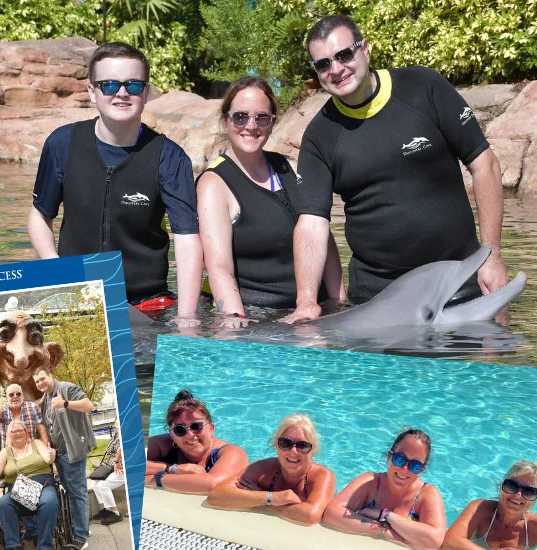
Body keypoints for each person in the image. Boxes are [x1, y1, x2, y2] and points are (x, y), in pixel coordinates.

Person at [284, 15, 509, 323]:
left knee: (487, 366)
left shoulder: (422, 87)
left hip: (459, 284)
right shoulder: (319, 135)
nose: (336, 69)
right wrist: (307, 300)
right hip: (378, 301)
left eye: (344, 55)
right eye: (323, 64)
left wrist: (492, 257)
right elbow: (312, 223)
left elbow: (485, 165)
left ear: (365, 49)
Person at [27, 41, 203, 324]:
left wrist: (186, 318)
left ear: (145, 92)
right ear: (91, 91)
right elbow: (39, 215)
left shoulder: (169, 157)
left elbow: (186, 240)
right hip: (77, 299)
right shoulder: (63, 143)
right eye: (109, 85)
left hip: (147, 305)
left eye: (133, 85)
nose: (122, 93)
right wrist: (57, 271)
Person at [196, 76, 344, 326]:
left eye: (262, 117)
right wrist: (235, 321)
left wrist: (339, 304)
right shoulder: (214, 184)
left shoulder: (293, 168)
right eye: (240, 116)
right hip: (259, 316)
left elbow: (325, 242)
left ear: (273, 122)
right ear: (225, 120)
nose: (251, 126)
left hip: (312, 312)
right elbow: (219, 266)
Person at [323, 429, 445, 550]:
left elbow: (434, 540)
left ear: (422, 470)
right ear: (389, 457)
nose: (404, 469)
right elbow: (332, 513)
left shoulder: (427, 494)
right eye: (400, 459)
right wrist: (382, 529)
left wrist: (385, 515)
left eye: (415, 466)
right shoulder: (371, 482)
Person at [207, 414, 335, 525]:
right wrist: (270, 497)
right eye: (285, 443)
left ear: (312, 450)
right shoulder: (263, 468)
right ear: (276, 445)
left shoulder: (322, 476)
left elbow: (310, 516)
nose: (293, 452)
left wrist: (261, 497)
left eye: (302, 446)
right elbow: (216, 495)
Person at [33, 367, 95, 550]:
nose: (40, 383)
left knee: (77, 493)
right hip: (59, 453)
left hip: (72, 450)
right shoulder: (45, 400)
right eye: (37, 382)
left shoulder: (67, 389)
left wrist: (65, 404)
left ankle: (81, 537)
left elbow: (88, 405)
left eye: (42, 378)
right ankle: (83, 528)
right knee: (72, 492)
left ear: (50, 375)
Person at [0, 419, 60, 550]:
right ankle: (13, 548)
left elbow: (47, 458)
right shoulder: (5, 452)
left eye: (20, 430)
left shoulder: (36, 443)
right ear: (9, 435)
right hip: (18, 490)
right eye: (14, 431)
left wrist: (51, 455)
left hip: (43, 485)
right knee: (4, 503)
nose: (17, 433)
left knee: (49, 502)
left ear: (26, 432)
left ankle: (45, 549)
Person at [145, 390, 248, 493]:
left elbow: (213, 484)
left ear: (211, 429)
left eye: (196, 426)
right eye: (179, 430)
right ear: (172, 434)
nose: (190, 435)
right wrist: (172, 469)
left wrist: (155, 479)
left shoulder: (232, 452)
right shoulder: (162, 444)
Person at [0, 383, 49, 448]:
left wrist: (47, 446)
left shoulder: (32, 406)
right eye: (11, 395)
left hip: (31, 451)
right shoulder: (3, 411)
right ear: (7, 398)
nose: (15, 396)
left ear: (22, 396)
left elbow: (41, 428)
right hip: (11, 453)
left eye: (18, 394)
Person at [92, 428, 126, 525]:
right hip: (111, 467)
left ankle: (115, 513)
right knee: (94, 483)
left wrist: (116, 462)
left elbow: (121, 450)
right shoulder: (116, 435)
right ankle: (108, 509)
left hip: (122, 469)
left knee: (103, 485)